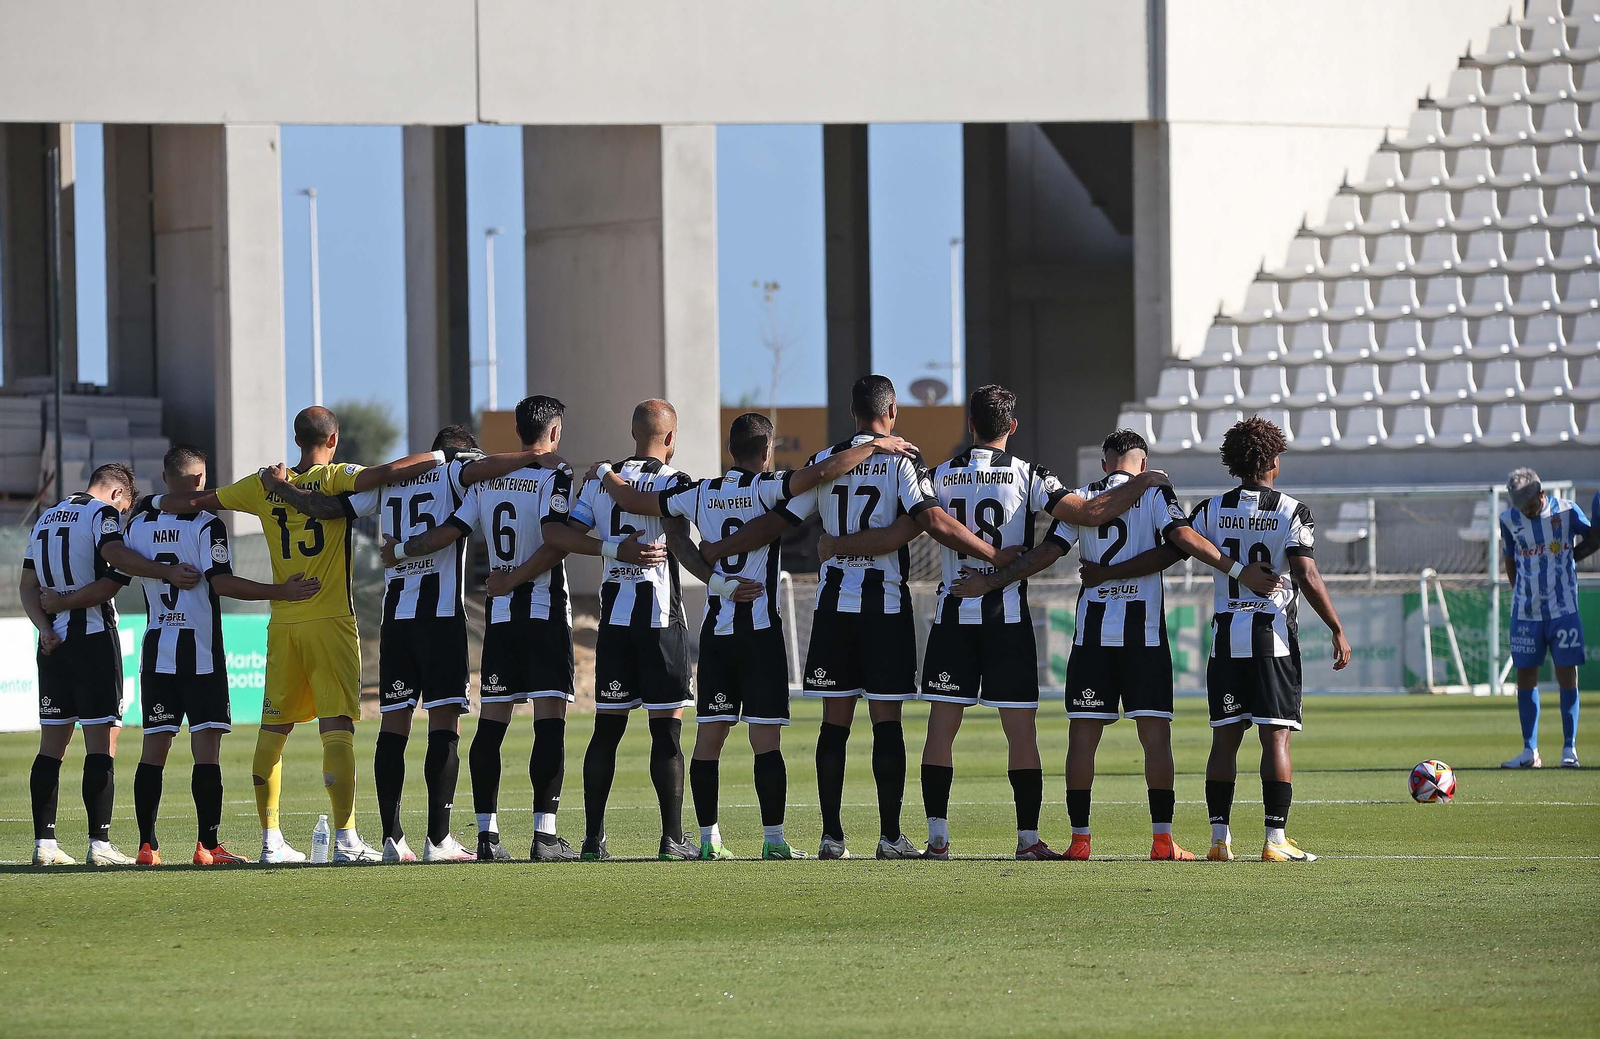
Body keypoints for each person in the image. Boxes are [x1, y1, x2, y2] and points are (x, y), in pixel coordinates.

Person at [701, 375, 1035, 860]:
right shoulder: (903, 458)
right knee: (886, 723)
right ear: (891, 411)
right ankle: (889, 836)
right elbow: (929, 520)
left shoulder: (824, 461)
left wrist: (719, 549)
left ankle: (831, 837)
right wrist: (994, 554)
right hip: (885, 609)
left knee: (833, 724)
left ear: (852, 412)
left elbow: (777, 523)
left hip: (833, 609)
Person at [593, 411, 917, 859]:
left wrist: (605, 475)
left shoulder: (700, 491)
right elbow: (822, 472)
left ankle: (709, 841)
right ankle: (774, 841)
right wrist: (875, 445)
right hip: (761, 632)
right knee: (766, 741)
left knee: (710, 739)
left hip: (716, 632)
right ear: (767, 451)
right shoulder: (769, 487)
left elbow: (637, 503)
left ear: (730, 449)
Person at [954, 426, 1276, 861]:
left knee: (1082, 737)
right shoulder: (1155, 492)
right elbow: (1182, 540)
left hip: (1092, 636)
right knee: (1155, 737)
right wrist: (1237, 570)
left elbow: (1047, 552)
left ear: (1105, 463)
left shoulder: (1082, 499)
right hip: (1144, 637)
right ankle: (1163, 841)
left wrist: (992, 581)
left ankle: (1080, 840)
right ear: (1144, 464)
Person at [154, 405, 449, 863]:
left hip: (284, 622)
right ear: (333, 440)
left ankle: (271, 842)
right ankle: (346, 840)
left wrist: (152, 503)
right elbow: (389, 472)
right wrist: (441, 457)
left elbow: (192, 502)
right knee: (337, 728)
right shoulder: (335, 477)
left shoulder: (262, 484)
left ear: (296, 440)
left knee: (273, 729)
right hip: (330, 620)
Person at [297, 423, 579, 862]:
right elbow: (477, 482)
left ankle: (392, 839)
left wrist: (286, 490)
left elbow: (329, 508)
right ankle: (439, 839)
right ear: (462, 456)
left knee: (393, 726)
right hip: (441, 618)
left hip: (396, 619)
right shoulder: (454, 474)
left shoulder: (391, 482)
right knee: (444, 723)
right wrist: (533, 456)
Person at [817, 385, 1074, 860]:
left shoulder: (936, 474)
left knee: (940, 730)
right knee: (1021, 732)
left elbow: (919, 524)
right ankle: (1027, 840)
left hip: (951, 614)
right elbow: (1071, 516)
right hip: (1006, 616)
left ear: (969, 424)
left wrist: (835, 545)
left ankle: (937, 839)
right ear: (1012, 427)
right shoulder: (1029, 474)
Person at [1084, 417, 1349, 862]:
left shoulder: (1209, 510)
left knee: (1225, 740)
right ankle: (1275, 839)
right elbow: (1305, 573)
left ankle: (1219, 839)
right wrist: (1337, 628)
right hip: (1272, 638)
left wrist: (1108, 573)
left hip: (1225, 640)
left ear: (1233, 463)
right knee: (1276, 738)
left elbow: (1170, 551)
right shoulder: (1292, 510)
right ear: (1273, 462)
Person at [384, 396, 634, 861]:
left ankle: (487, 836)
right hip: (542, 611)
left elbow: (451, 531)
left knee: (491, 727)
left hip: (500, 618)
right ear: (554, 432)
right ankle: (544, 836)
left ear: (518, 431)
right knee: (549, 724)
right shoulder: (555, 472)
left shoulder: (487, 479)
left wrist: (401, 550)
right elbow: (555, 539)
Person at [38, 446, 316, 866]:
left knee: (154, 749)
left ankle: (146, 846)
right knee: (206, 750)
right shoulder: (208, 525)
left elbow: (115, 576)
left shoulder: (137, 524)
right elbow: (221, 584)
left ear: (166, 479)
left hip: (157, 649)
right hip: (200, 651)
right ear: (201, 480)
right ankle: (208, 846)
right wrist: (281, 591)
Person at [22, 463, 198, 866]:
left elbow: (27, 586)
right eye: (123, 510)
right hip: (93, 641)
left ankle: (44, 844)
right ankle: (99, 844)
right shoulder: (101, 514)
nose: (119, 519)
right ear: (118, 495)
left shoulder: (46, 517)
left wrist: (45, 627)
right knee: (101, 743)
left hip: (52, 644)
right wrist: (166, 571)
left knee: (51, 747)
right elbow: (112, 565)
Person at [557, 399, 704, 861]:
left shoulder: (600, 481)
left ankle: (592, 840)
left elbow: (565, 536)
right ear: (671, 437)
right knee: (667, 733)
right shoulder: (673, 481)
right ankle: (672, 839)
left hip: (615, 625)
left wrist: (609, 548)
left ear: (634, 432)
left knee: (606, 731)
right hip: (661, 623)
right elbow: (679, 542)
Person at [1498, 468, 1590, 769]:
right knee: (1525, 676)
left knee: (1567, 674)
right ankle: (1530, 751)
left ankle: (1569, 748)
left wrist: (1572, 557)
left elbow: (1593, 537)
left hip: (1564, 610)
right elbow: (1509, 557)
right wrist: (1520, 593)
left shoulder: (1566, 511)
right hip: (1526, 613)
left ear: (1541, 494)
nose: (1525, 511)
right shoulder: (1508, 519)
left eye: (1529, 505)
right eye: (1520, 506)